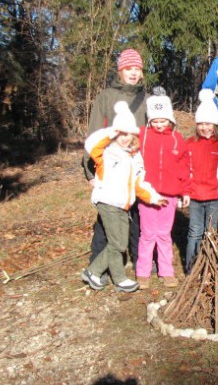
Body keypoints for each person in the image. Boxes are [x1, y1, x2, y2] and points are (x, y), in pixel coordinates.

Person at [81, 102, 166, 292]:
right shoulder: (105, 152)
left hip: (123, 205)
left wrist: (153, 197)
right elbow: (91, 144)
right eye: (121, 134)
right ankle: (106, 275)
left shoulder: (135, 156)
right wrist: (112, 131)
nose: (125, 138)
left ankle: (105, 274)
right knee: (119, 243)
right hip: (107, 202)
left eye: (128, 134)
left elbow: (139, 183)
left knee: (117, 242)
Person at [83, 49, 148, 281]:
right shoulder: (105, 97)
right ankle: (97, 267)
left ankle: (136, 261)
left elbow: (152, 135)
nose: (133, 73)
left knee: (136, 217)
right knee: (107, 220)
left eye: (137, 69)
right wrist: (90, 170)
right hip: (110, 168)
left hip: (135, 168)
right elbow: (93, 134)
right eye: (129, 68)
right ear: (120, 71)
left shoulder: (147, 99)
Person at [136, 90, 191, 289]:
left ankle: (166, 271)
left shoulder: (177, 139)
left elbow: (185, 167)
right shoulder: (142, 136)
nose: (159, 125)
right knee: (147, 233)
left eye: (163, 121)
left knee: (164, 234)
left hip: (169, 195)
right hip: (148, 195)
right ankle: (142, 272)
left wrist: (185, 191)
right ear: (150, 121)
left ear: (170, 120)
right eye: (155, 121)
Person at [184, 89, 218, 273]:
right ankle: (191, 266)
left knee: (212, 231)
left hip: (215, 197)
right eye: (200, 123)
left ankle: (209, 265)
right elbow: (183, 170)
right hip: (195, 196)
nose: (204, 127)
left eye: (208, 123)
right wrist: (183, 192)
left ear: (215, 124)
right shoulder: (190, 144)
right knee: (195, 231)